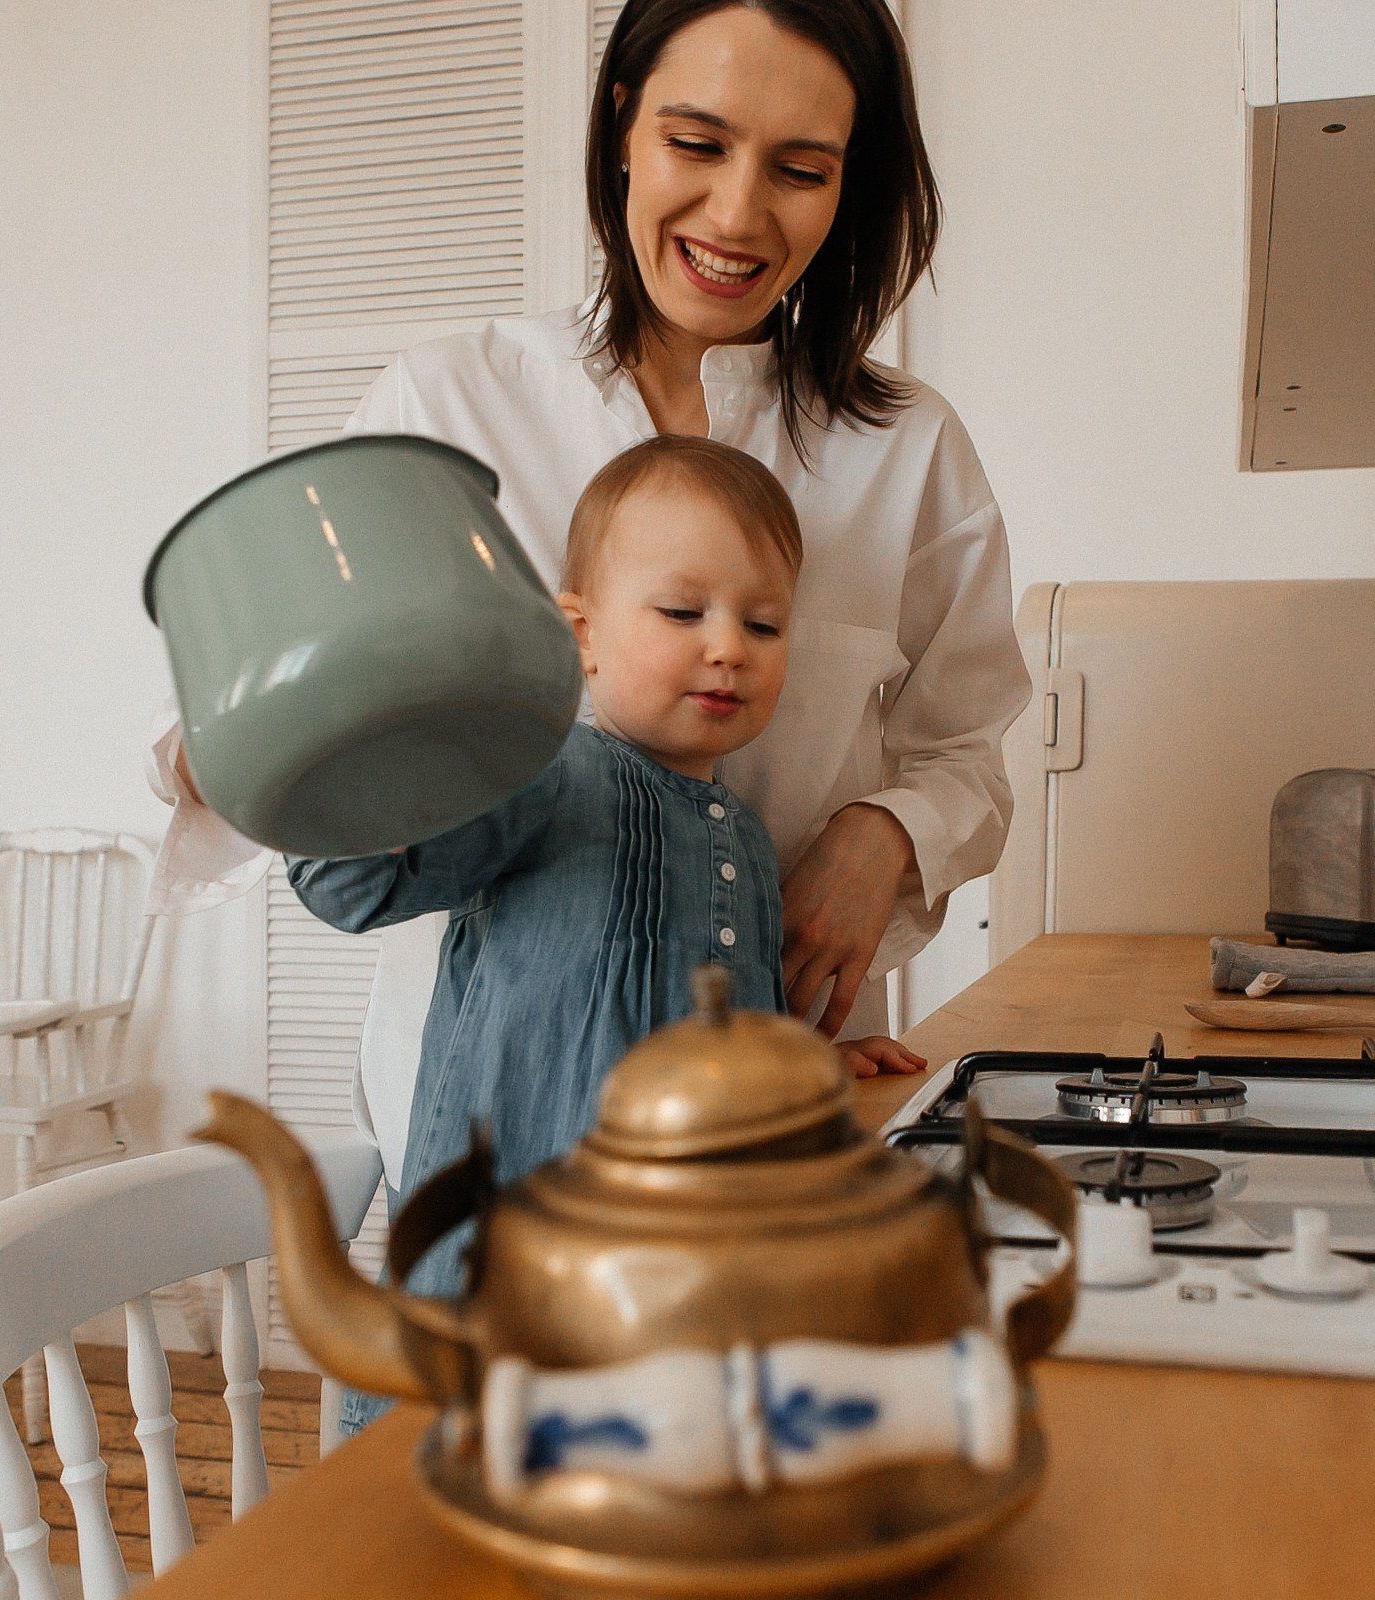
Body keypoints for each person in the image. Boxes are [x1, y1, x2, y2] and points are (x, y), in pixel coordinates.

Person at [151, 0, 1028, 1185]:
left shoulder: (911, 449)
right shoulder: (448, 405)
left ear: (847, 182)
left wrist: (886, 833)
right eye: (698, 143)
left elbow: (968, 748)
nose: (736, 214)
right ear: (622, 123)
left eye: (801, 169)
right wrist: (221, 754)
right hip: (492, 1126)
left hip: (770, 1111)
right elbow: (306, 730)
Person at [289, 439, 924, 1292]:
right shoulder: (547, 774)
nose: (730, 647)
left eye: (763, 624)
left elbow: (735, 1030)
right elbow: (352, 884)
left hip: (681, 1278)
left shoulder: (747, 840)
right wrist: (376, 776)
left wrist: (809, 1065)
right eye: (682, 613)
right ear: (581, 635)